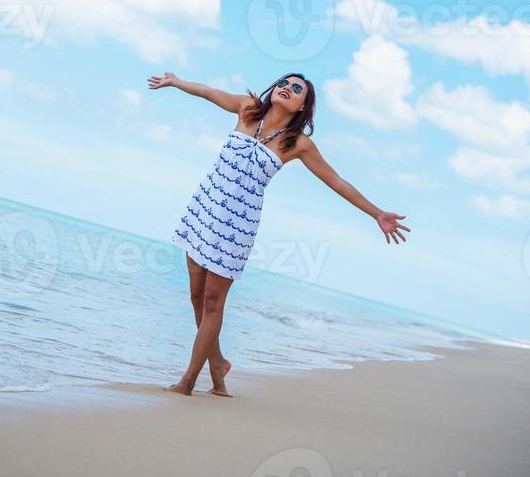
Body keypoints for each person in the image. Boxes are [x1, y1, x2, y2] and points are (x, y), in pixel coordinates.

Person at [147, 71, 410, 397]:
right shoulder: (247, 108)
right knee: (196, 298)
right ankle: (217, 365)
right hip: (205, 208)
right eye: (284, 83)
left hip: (236, 226)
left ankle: (187, 382)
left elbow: (337, 182)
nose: (287, 88)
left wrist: (377, 214)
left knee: (214, 303)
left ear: (303, 107)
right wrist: (176, 82)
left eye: (296, 89)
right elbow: (207, 91)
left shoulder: (297, 144)